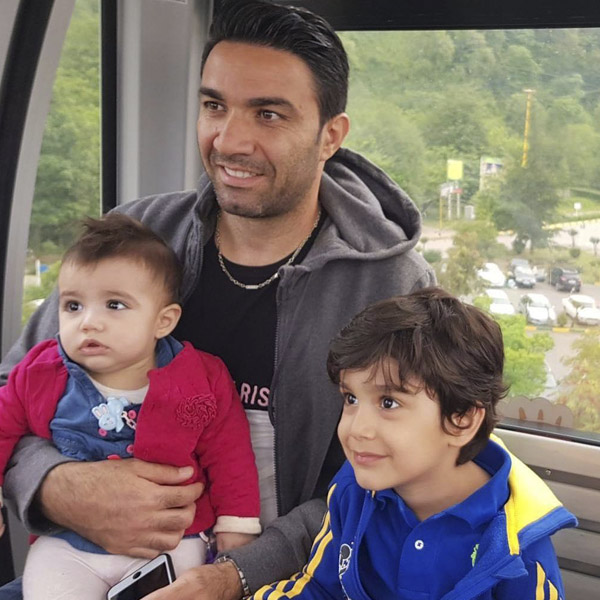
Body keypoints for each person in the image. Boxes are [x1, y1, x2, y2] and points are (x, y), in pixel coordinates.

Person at [0, 1, 434, 598]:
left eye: (268, 114)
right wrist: (55, 485)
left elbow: (399, 483)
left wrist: (235, 576)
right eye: (214, 106)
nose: (229, 140)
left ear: (330, 135)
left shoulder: (392, 286)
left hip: (298, 580)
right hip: (86, 565)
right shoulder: (138, 239)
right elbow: (14, 386)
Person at [253, 288, 577, 600]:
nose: (356, 429)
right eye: (351, 398)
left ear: (461, 419)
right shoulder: (353, 492)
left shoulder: (517, 551)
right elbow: (320, 589)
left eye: (388, 403)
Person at [0, 214, 261, 598]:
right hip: (69, 543)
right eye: (73, 306)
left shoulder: (199, 379)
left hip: (172, 538)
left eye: (114, 305)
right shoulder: (41, 372)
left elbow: (228, 452)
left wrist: (236, 525)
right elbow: (3, 425)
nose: (89, 322)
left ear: (163, 321)